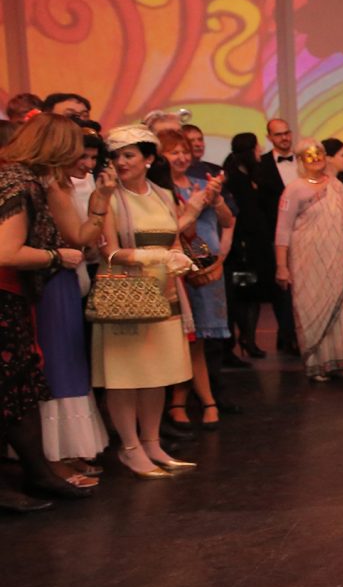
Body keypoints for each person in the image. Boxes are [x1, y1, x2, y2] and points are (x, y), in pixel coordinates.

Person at [0, 116, 98, 509]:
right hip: (5, 296)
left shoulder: (22, 179)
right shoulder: (20, 183)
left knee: (18, 390)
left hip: (13, 297)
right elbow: (7, 252)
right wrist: (57, 256)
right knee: (12, 388)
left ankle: (38, 474)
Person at [92, 126, 196, 478]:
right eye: (116, 156)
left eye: (129, 155)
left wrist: (179, 259)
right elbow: (108, 251)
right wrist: (154, 257)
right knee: (126, 374)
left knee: (158, 373)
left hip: (165, 293)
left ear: (148, 159)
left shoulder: (164, 195)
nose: (121, 162)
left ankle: (152, 443)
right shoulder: (108, 197)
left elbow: (174, 240)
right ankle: (130, 447)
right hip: (126, 295)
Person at [38, 129, 110, 483]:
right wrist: (101, 200)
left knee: (70, 364)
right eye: (82, 156)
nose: (88, 165)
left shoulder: (61, 185)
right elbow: (79, 237)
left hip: (67, 278)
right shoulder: (51, 187)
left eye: (93, 158)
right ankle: (54, 455)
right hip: (52, 281)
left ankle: (67, 452)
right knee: (58, 367)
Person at [161, 130, 233, 427]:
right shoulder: (160, 190)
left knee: (200, 340)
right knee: (182, 340)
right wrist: (192, 208)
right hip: (176, 270)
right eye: (174, 152)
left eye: (185, 152)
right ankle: (185, 401)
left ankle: (200, 401)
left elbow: (227, 220)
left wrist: (215, 200)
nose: (181, 157)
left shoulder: (203, 184)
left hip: (206, 268)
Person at [275, 139, 343, 383]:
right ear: (301, 160)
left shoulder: (337, 186)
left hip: (336, 259)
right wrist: (281, 266)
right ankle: (316, 364)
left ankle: (339, 361)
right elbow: (283, 229)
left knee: (338, 310)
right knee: (311, 307)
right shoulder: (294, 189)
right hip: (307, 261)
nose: (316, 158)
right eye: (309, 155)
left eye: (319, 153)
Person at [222, 132, 276, 360]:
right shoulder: (235, 179)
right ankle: (243, 340)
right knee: (244, 294)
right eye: (256, 148)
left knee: (252, 295)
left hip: (254, 244)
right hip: (243, 246)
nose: (260, 151)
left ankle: (248, 339)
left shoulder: (250, 175)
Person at [258, 118, 299, 354]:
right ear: (269, 138)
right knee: (282, 287)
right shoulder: (262, 165)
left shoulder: (304, 161)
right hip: (276, 233)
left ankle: (301, 335)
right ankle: (286, 336)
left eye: (286, 133)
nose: (284, 138)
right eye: (278, 134)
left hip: (305, 232)